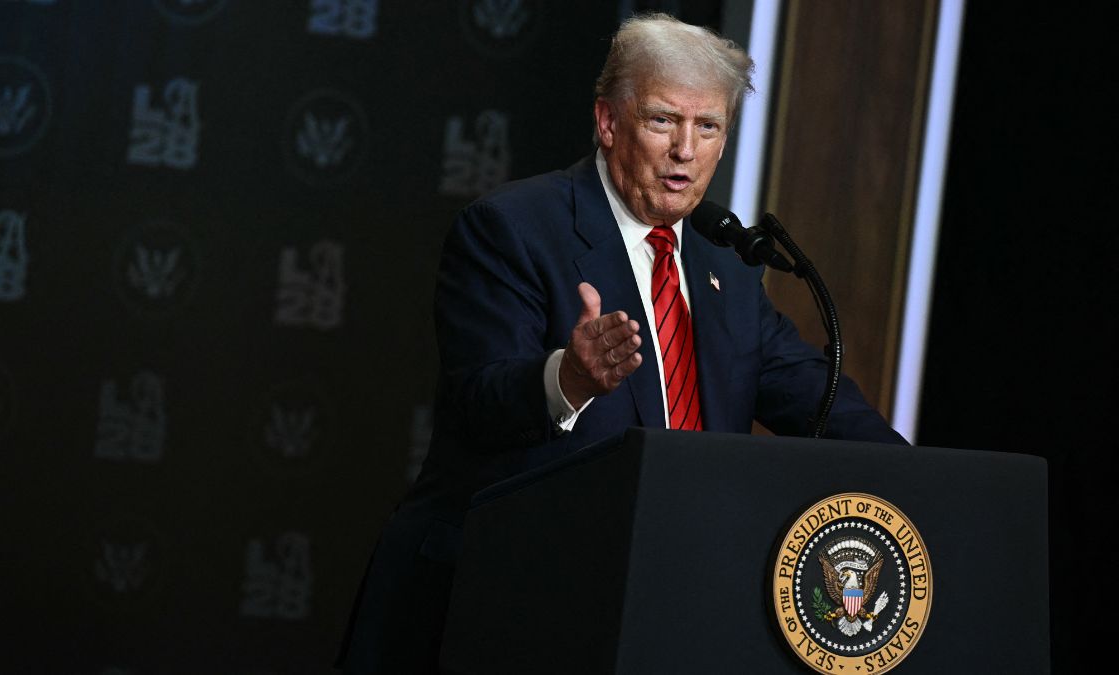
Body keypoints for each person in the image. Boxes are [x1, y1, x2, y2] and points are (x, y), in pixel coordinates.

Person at [338, 13, 906, 674]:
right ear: (608, 122)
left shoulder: (725, 270)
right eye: (663, 120)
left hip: (661, 609)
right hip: (506, 605)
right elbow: (479, 399)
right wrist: (569, 378)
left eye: (708, 126)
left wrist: (924, 483)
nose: (685, 150)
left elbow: (819, 400)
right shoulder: (513, 228)